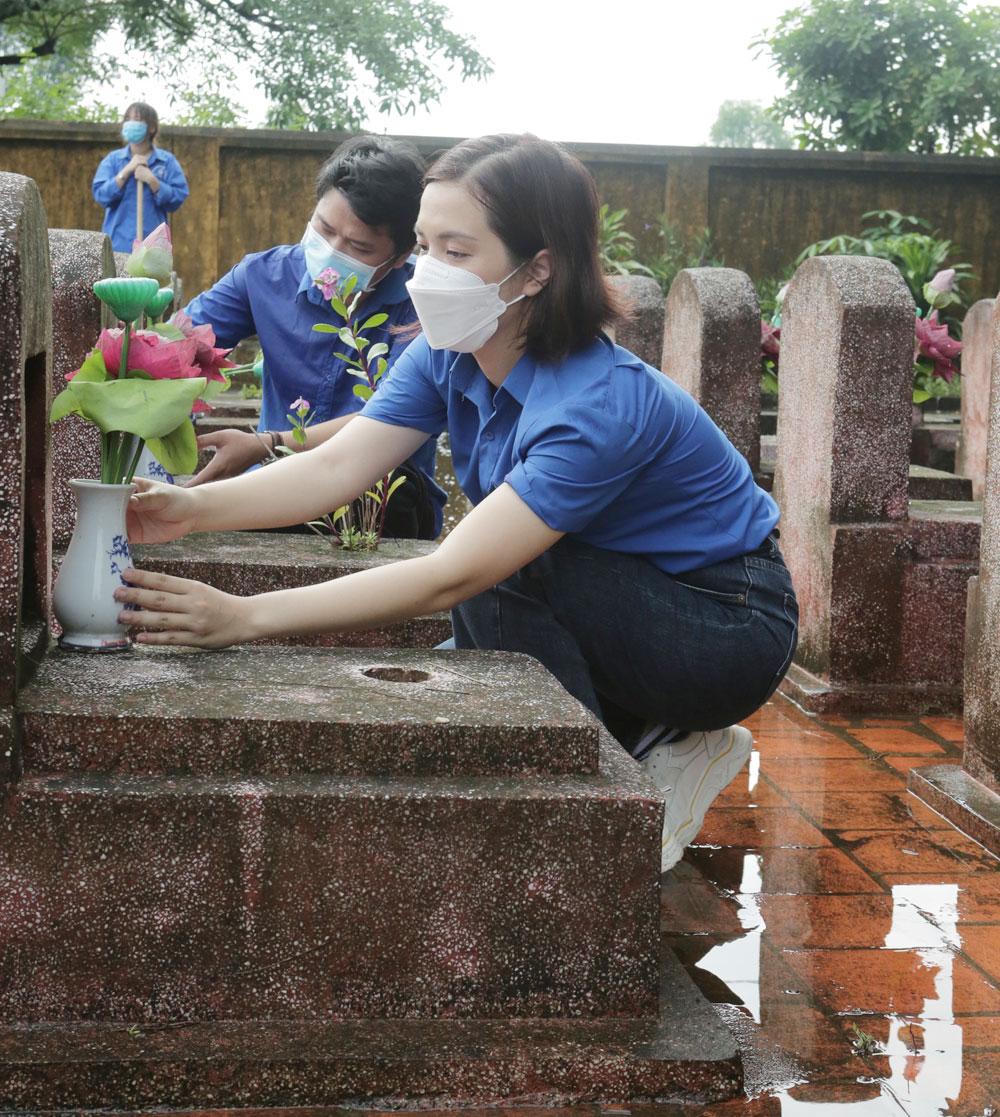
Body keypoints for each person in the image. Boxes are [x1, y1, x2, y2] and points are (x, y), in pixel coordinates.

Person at [117, 134, 799, 872]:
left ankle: (594, 813)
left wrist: (244, 616)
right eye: (423, 246)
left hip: (723, 624)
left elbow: (454, 574)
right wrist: (187, 509)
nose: (428, 273)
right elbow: (341, 464)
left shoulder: (596, 403)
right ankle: (648, 738)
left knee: (500, 570)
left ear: (537, 269)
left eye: (458, 251)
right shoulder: (451, 348)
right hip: (615, 590)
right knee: (471, 651)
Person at [182, 134, 445, 539]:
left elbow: (391, 421)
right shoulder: (262, 276)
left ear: (399, 256)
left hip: (381, 506)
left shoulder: (421, 306)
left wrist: (269, 443)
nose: (332, 250)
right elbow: (176, 347)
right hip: (273, 493)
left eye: (358, 247)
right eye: (324, 229)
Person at [92, 102, 189, 253]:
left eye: (136, 119)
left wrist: (153, 182)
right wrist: (125, 172)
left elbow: (178, 197)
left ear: (151, 127)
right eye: (128, 119)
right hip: (118, 245)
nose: (131, 124)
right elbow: (101, 195)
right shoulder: (113, 160)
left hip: (153, 248)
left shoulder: (166, 161)